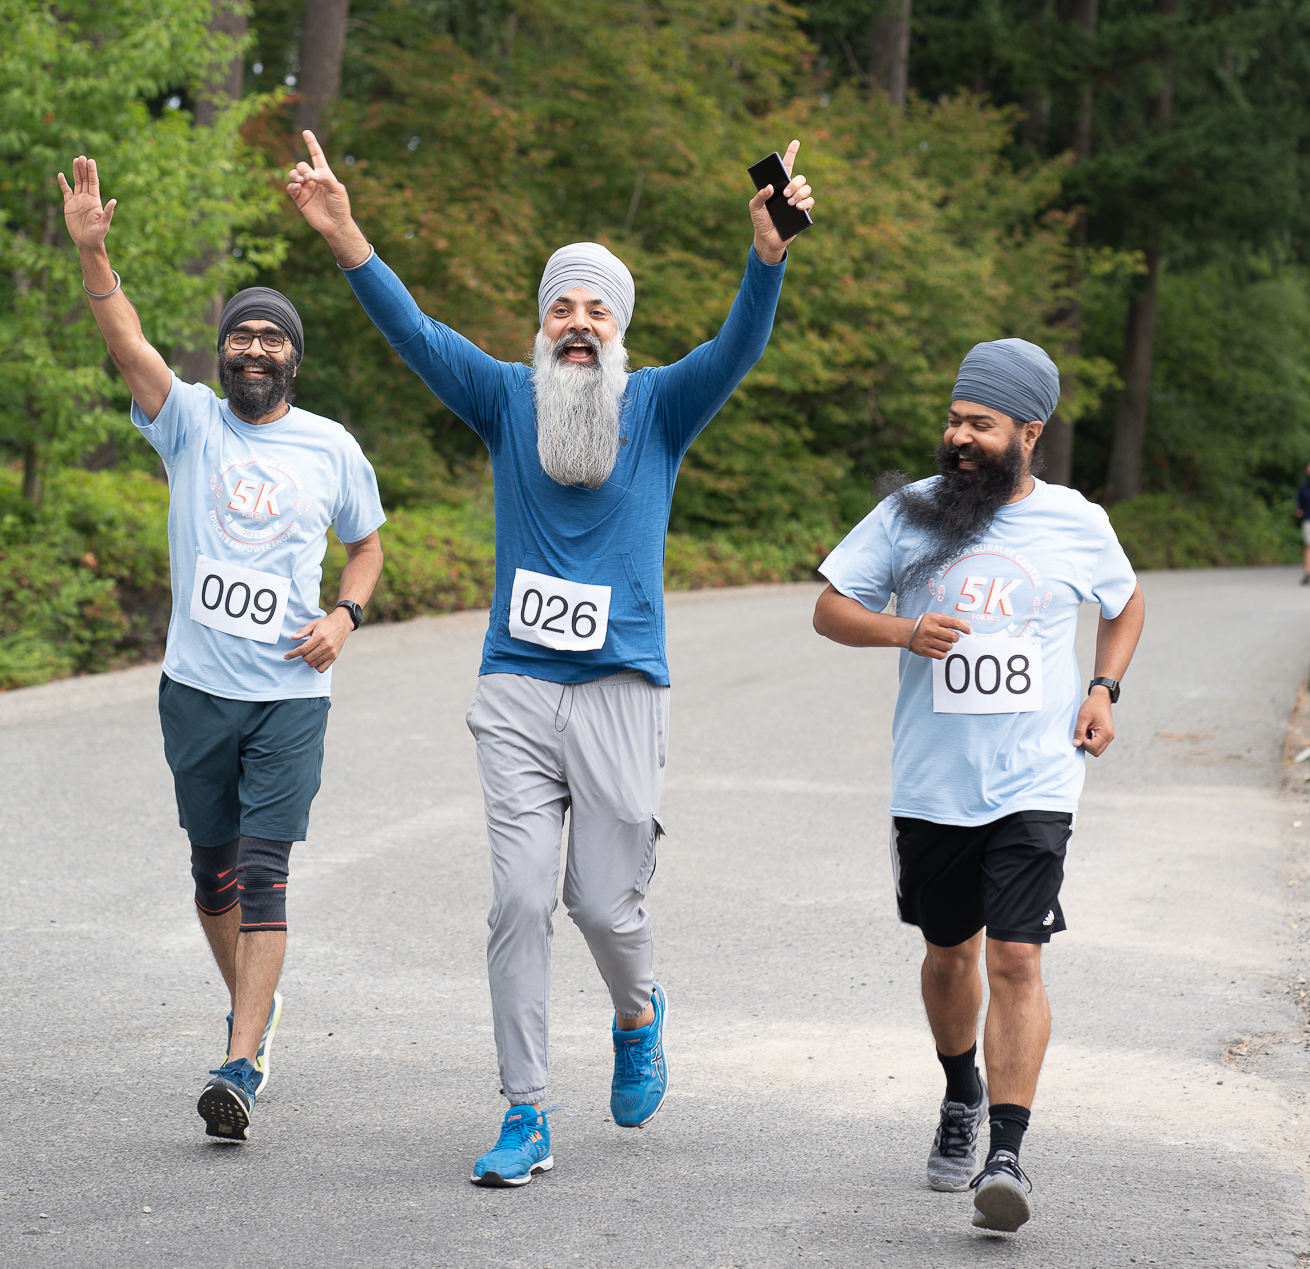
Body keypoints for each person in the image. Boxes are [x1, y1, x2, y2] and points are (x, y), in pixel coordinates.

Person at [285, 129, 816, 1186]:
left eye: (595, 309)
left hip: (621, 688)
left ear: (619, 329)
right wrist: (345, 234)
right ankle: (524, 1111)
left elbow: (738, 347)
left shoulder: (659, 406)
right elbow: (415, 331)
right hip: (516, 688)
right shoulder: (503, 399)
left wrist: (766, 257)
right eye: (560, 307)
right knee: (521, 901)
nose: (577, 324)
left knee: (602, 905)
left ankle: (636, 1010)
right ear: (540, 326)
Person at [60, 155, 386, 1142]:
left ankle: (239, 1061)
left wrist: (345, 615)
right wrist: (93, 252)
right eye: (240, 334)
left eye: (270, 337)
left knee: (262, 868)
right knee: (212, 876)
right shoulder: (189, 423)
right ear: (223, 353)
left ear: (293, 357)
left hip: (289, 700)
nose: (253, 348)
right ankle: (257, 1002)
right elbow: (126, 345)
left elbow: (368, 545)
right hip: (194, 691)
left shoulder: (331, 446)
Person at [812, 338, 1145, 1232]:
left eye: (980, 424)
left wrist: (1103, 689)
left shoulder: (1077, 520)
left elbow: (1124, 602)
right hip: (931, 783)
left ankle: (1007, 1152)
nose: (958, 436)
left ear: (1028, 433)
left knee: (1016, 956)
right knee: (950, 954)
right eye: (954, 419)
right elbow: (830, 606)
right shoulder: (911, 513)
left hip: (1037, 777)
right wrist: (900, 631)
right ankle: (960, 1090)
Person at [1294, 461, 1310, 584]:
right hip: (1308, 519)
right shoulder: (1303, 486)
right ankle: (1307, 572)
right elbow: (1298, 499)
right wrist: (1298, 509)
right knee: (1308, 545)